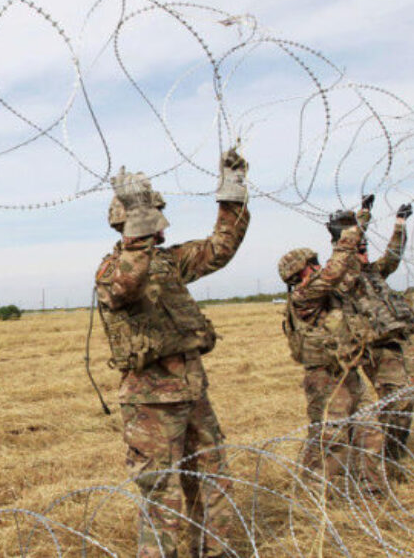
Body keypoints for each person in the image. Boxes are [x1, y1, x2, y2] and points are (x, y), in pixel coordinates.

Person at [95, 148, 249, 558]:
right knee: (161, 493)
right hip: (152, 400)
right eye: (152, 215)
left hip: (193, 390)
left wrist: (231, 190)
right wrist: (139, 224)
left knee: (213, 480)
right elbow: (125, 285)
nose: (161, 224)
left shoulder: (171, 262)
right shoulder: (113, 270)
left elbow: (220, 247)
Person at [277, 212, 384, 494]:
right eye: (313, 264)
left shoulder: (327, 294)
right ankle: (315, 496)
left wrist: (354, 234)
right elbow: (334, 270)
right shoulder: (304, 297)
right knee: (331, 438)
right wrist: (351, 231)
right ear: (301, 271)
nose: (318, 266)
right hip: (325, 378)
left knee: (370, 431)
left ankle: (371, 490)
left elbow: (347, 270)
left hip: (348, 372)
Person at [332, 197, 414, 461]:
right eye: (360, 249)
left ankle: (391, 456)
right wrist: (363, 215)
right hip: (376, 349)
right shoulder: (345, 274)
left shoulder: (374, 272)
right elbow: (346, 248)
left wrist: (399, 224)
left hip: (398, 344)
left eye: (366, 249)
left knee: (405, 402)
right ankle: (380, 457)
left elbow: (393, 255)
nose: (365, 254)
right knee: (394, 403)